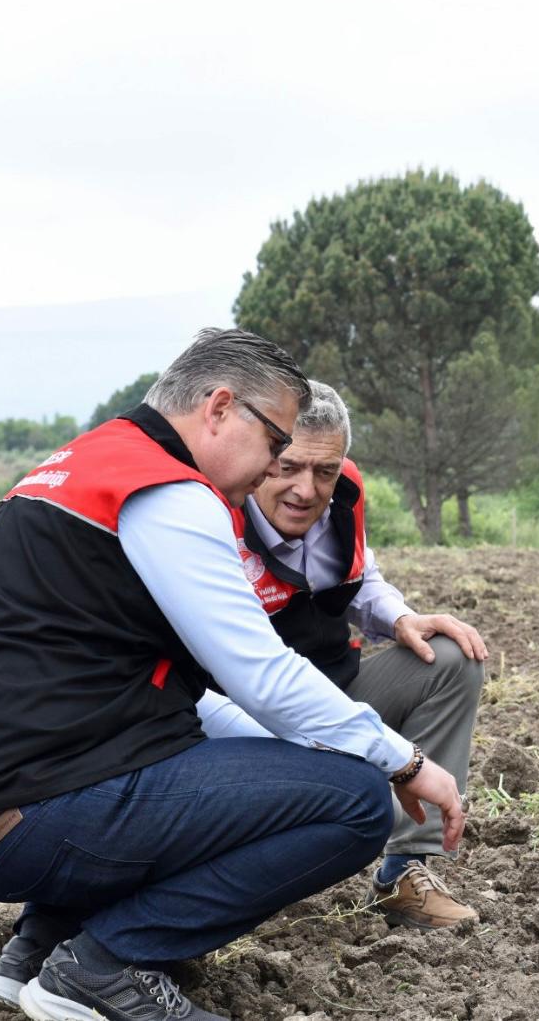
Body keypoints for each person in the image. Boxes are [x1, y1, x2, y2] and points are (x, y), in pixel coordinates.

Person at [0, 329, 463, 1021]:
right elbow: (260, 673)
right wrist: (404, 761)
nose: (274, 467)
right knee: (355, 802)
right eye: (275, 443)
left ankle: (41, 951)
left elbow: (182, 693)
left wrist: (292, 759)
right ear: (219, 408)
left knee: (222, 766)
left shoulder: (82, 466)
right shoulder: (170, 494)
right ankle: (102, 967)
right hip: (36, 813)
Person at [202, 381, 487, 931]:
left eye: (325, 471)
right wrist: (377, 754)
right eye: (289, 467)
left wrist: (401, 618)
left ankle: (403, 872)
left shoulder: (343, 498)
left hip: (334, 694)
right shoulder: (215, 520)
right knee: (351, 789)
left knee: (451, 657)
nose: (305, 490)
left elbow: (358, 572)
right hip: (242, 724)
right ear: (263, 456)